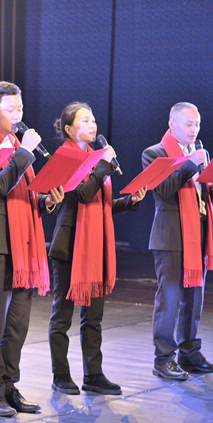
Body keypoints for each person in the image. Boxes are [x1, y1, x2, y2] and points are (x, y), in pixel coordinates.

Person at [0, 81, 64, 417]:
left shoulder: (20, 148)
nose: (18, 115)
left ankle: (9, 386)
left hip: (24, 244)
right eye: (11, 109)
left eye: (20, 108)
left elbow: (26, 197)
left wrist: (47, 201)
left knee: (17, 324)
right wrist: (24, 153)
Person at [48, 102, 146, 396]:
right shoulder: (65, 158)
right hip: (69, 247)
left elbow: (101, 205)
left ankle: (94, 374)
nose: (93, 125)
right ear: (68, 129)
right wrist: (103, 166)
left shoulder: (97, 159)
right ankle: (60, 375)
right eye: (85, 121)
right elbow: (82, 193)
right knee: (62, 316)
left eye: (93, 120)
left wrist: (129, 202)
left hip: (96, 247)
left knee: (94, 317)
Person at [142, 102, 213, 380]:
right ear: (172, 124)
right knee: (169, 299)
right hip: (170, 236)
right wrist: (191, 163)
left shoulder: (200, 153)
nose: (194, 129)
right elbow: (164, 190)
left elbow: (201, 196)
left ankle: (189, 353)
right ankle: (163, 359)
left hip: (198, 232)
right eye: (189, 124)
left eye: (197, 124)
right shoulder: (155, 153)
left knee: (194, 297)